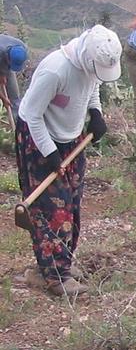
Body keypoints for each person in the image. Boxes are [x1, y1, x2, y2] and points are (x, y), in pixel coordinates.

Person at [15, 25, 120, 298]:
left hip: (71, 141)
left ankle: (58, 264)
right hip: (40, 139)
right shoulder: (56, 70)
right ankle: (55, 276)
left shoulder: (89, 63)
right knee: (52, 209)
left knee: (71, 204)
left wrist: (95, 111)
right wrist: (49, 153)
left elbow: (92, 83)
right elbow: (32, 116)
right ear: (87, 56)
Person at [0, 34, 29, 116]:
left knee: (15, 99)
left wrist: (4, 74)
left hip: (4, 62)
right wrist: (3, 98)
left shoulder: (22, 49)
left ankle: (18, 120)